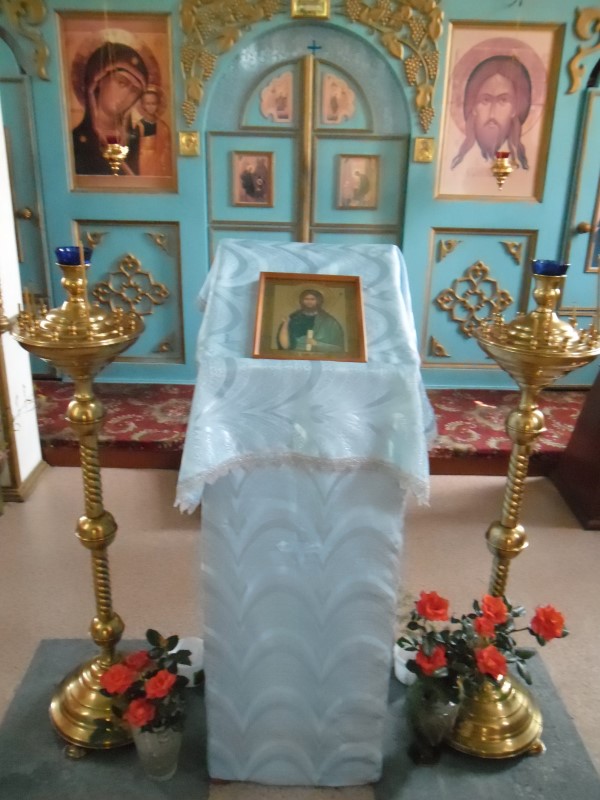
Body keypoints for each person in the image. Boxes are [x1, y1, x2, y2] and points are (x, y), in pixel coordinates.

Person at [72, 41, 148, 176]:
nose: (126, 94)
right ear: (99, 80)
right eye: (121, 82)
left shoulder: (137, 139)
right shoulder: (74, 141)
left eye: (134, 91)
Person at [451, 54, 532, 171]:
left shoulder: (518, 162)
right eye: (485, 100)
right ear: (473, 107)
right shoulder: (458, 164)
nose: (492, 114)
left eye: (503, 100)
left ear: (514, 110)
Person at [277, 289, 345, 353]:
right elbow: (285, 346)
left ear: (319, 301)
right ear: (301, 301)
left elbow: (338, 348)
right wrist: (285, 324)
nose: (309, 302)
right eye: (306, 299)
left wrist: (317, 344)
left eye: (312, 299)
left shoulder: (329, 322)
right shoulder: (293, 318)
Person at [136, 85, 172, 176]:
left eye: (153, 104)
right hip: (144, 163)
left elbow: (167, 148)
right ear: (143, 105)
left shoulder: (163, 127)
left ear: (158, 104)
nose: (151, 107)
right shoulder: (139, 126)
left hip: (161, 164)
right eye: (148, 104)